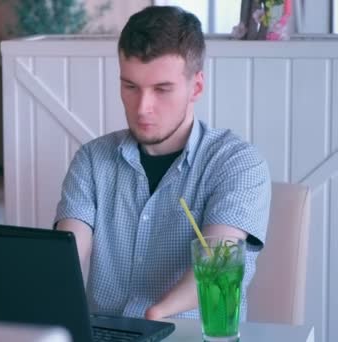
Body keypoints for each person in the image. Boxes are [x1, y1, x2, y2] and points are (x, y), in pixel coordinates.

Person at [54, 5, 271, 320]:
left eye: (162, 89)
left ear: (195, 87)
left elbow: (218, 261)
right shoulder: (91, 160)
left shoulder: (237, 162)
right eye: (130, 87)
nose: (143, 108)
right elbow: (68, 255)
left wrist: (156, 314)